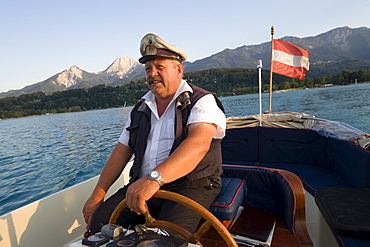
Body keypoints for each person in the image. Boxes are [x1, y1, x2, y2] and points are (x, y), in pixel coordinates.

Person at [82, 33, 226, 235]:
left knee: (166, 240)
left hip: (190, 186)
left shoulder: (201, 101)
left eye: (160, 67)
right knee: (99, 226)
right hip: (141, 186)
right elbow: (122, 150)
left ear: (179, 70)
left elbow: (198, 145)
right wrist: (99, 192)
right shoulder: (141, 108)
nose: (153, 73)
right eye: (148, 69)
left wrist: (153, 179)